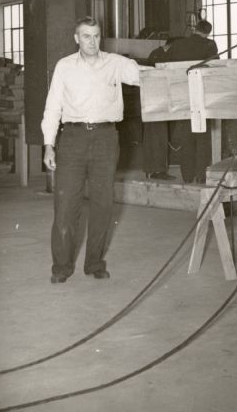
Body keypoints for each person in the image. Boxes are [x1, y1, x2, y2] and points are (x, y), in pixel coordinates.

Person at [41, 17, 144, 284]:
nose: (92, 41)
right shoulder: (64, 67)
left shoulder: (116, 63)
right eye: (86, 36)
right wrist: (49, 145)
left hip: (106, 138)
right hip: (72, 139)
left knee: (103, 204)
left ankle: (95, 263)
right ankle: (61, 267)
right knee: (65, 206)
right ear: (77, 38)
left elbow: (144, 76)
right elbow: (53, 107)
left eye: (96, 36)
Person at [166, 19, 219, 184]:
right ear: (208, 32)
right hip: (202, 95)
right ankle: (201, 175)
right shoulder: (210, 45)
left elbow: (168, 66)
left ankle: (187, 176)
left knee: (186, 137)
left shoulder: (178, 45)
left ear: (195, 29)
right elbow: (214, 67)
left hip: (181, 96)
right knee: (202, 138)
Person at [142, 37, 180, 181]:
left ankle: (150, 170)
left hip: (150, 99)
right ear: (172, 46)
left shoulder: (154, 53)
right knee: (159, 137)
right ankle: (158, 171)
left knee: (151, 137)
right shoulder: (165, 56)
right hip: (159, 100)